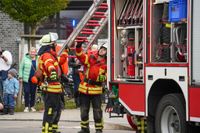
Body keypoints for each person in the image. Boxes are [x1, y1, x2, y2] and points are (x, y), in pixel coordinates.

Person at [35, 32, 68, 133]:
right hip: (50, 88)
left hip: (55, 88)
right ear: (50, 44)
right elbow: (49, 65)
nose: (55, 44)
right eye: (54, 43)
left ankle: (52, 129)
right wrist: (52, 71)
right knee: (50, 111)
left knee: (56, 110)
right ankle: (47, 130)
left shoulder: (52, 55)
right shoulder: (47, 55)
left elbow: (60, 60)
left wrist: (66, 50)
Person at [76, 42, 107, 133]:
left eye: (104, 49)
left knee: (97, 112)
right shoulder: (91, 57)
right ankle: (84, 129)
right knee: (84, 111)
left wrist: (101, 78)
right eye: (101, 48)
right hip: (84, 89)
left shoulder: (106, 64)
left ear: (107, 52)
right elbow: (81, 56)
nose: (102, 50)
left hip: (96, 90)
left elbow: (106, 77)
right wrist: (78, 47)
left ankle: (99, 129)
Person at [19, 47, 38, 112]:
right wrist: (20, 77)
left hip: (34, 79)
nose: (32, 53)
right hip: (26, 78)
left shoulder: (38, 59)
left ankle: (32, 106)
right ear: (29, 52)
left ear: (35, 53)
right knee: (26, 92)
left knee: (33, 92)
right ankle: (26, 106)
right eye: (31, 52)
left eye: (34, 52)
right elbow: (21, 68)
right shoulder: (25, 58)